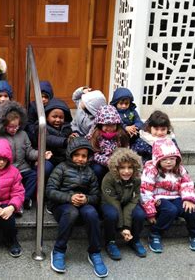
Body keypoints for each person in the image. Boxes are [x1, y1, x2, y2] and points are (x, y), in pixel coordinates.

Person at [46, 137, 107, 278]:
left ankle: (95, 252)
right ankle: (59, 250)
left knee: (92, 213)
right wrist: (69, 198)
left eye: (84, 156)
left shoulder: (90, 172)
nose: (80, 159)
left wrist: (87, 199)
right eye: (77, 155)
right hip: (62, 206)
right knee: (71, 212)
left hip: (83, 203)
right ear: (70, 155)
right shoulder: (61, 168)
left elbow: (96, 196)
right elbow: (50, 190)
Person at [140, 139, 195, 253]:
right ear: (157, 159)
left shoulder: (179, 169)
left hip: (176, 196)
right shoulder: (151, 170)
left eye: (172, 159)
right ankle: (155, 233)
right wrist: (150, 212)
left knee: (190, 210)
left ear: (177, 158)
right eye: (164, 159)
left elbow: (187, 183)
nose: (168, 162)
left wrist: (188, 199)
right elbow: (145, 190)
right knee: (170, 210)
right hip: (158, 198)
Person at [0, 101, 51, 213]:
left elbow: (29, 152)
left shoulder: (23, 134)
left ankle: (25, 199)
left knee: (34, 176)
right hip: (7, 170)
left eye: (17, 126)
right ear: (4, 125)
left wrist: (41, 154)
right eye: (11, 127)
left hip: (22, 168)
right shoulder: (0, 137)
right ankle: (16, 203)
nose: (14, 129)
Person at [101, 148, 147, 260]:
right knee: (111, 215)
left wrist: (127, 226)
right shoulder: (108, 179)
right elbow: (114, 202)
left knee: (140, 214)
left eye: (130, 167)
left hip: (127, 203)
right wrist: (122, 228)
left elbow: (134, 200)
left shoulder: (136, 179)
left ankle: (134, 240)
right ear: (116, 168)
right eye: (122, 168)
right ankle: (110, 242)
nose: (126, 171)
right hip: (110, 203)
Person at [87, 105, 129, 184]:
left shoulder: (121, 135)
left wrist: (119, 160)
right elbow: (93, 153)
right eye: (106, 125)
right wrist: (106, 161)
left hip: (117, 162)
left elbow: (125, 149)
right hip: (100, 163)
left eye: (113, 125)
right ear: (100, 124)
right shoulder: (95, 136)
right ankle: (98, 188)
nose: (109, 128)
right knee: (97, 170)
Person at [34, 97, 73, 179]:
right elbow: (48, 139)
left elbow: (70, 136)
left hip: (62, 157)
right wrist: (65, 141)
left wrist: (73, 136)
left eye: (61, 117)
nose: (58, 120)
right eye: (54, 116)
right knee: (45, 169)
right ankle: (42, 189)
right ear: (47, 117)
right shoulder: (41, 127)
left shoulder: (66, 127)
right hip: (48, 157)